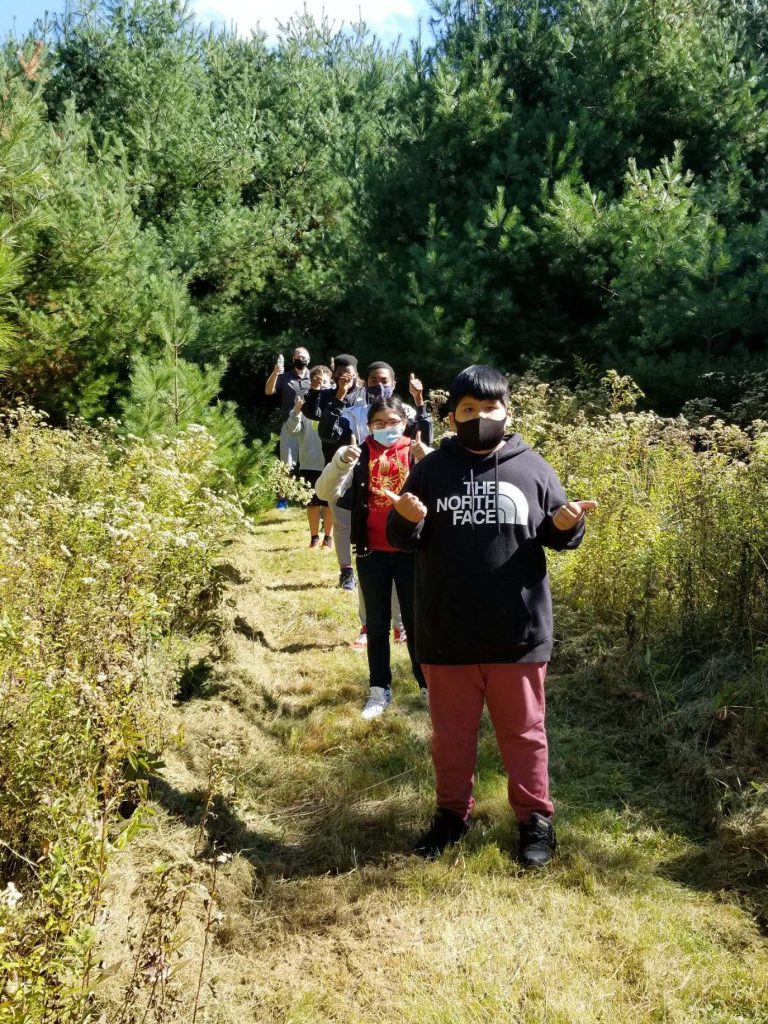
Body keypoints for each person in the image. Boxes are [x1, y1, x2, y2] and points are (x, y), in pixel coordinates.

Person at [386, 365, 597, 867]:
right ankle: (450, 815)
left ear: (508, 410)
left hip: (517, 631)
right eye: (467, 410)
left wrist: (568, 525)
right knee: (451, 736)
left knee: (525, 734)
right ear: (452, 415)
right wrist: (406, 519)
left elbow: (557, 535)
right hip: (447, 630)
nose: (479, 417)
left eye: (489, 408)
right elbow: (402, 538)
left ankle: (534, 822)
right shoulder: (432, 469)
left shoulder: (534, 468)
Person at [316, 396, 430, 719]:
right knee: (376, 624)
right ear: (369, 426)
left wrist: (428, 459)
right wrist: (342, 462)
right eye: (378, 424)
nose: (386, 429)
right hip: (371, 552)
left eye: (392, 422)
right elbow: (325, 492)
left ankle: (428, 686)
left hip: (412, 553)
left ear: (403, 422)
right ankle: (379, 690)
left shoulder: (415, 451)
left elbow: (443, 493)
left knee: (416, 622)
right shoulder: (360, 452)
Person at [285, 365, 334, 549]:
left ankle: (328, 539)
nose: (321, 385)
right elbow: (292, 430)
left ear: (331, 383)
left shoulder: (334, 404)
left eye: (325, 382)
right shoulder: (305, 405)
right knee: (312, 503)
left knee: (329, 503)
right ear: (311, 383)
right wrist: (296, 411)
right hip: (309, 462)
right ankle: (314, 538)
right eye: (317, 381)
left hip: (330, 462)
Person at [264, 346, 311, 509]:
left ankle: (311, 498)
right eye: (298, 356)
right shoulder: (285, 377)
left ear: (309, 360)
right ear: (293, 359)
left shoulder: (314, 377)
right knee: (287, 463)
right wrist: (275, 373)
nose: (301, 359)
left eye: (304, 357)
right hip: (290, 423)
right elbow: (268, 391)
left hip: (310, 425)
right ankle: (282, 500)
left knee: (312, 460)